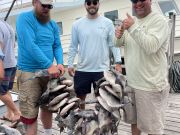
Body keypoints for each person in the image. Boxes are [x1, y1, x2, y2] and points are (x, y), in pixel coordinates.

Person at [115, 0, 169, 134]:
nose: (138, 3)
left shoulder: (159, 21)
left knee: (153, 129)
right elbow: (117, 44)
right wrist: (119, 34)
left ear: (150, 1)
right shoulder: (131, 21)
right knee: (135, 123)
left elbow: (151, 47)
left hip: (150, 86)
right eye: (134, 0)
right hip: (132, 83)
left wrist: (132, 28)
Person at [16, 0, 65, 134]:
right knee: (30, 115)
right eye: (43, 5)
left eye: (49, 6)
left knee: (47, 107)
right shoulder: (24, 18)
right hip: (29, 73)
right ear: (34, 2)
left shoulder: (53, 24)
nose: (46, 8)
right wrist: (49, 65)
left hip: (48, 74)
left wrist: (60, 62)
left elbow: (57, 45)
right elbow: (29, 45)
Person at [67, 0, 122, 109]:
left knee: (103, 101)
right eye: (89, 3)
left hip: (102, 70)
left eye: (94, 2)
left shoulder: (107, 23)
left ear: (98, 4)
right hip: (82, 69)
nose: (92, 5)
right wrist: (69, 64)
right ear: (85, 5)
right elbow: (73, 46)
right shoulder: (77, 24)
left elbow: (113, 44)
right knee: (79, 101)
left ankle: (101, 125)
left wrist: (118, 62)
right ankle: (81, 124)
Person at [0, 20, 21, 123]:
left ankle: (17, 113)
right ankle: (9, 114)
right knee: (6, 90)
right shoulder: (7, 25)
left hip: (3, 65)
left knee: (1, 92)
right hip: (12, 62)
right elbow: (13, 45)